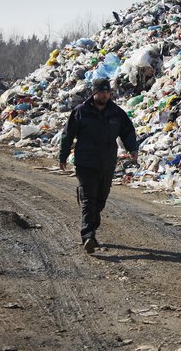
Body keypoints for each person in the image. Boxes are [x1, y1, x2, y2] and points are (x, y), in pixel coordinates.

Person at [58, 78, 139, 253]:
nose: (104, 95)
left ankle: (91, 224)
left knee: (100, 200)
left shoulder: (116, 113)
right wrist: (63, 156)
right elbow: (67, 134)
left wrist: (133, 149)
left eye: (107, 92)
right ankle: (88, 236)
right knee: (89, 200)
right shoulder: (81, 112)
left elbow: (127, 131)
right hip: (85, 162)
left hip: (107, 162)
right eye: (101, 92)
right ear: (94, 93)